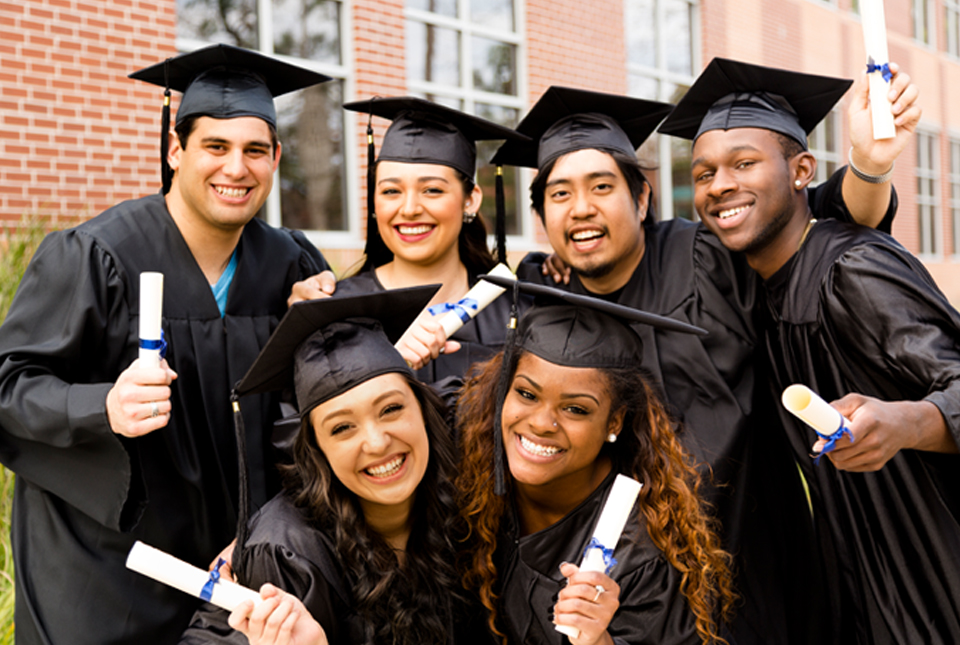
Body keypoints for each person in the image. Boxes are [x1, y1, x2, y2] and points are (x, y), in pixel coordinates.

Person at [495, 71, 919, 643]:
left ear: (642, 197)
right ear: (543, 217)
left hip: (753, 548)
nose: (581, 209)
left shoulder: (707, 257)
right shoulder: (545, 301)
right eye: (560, 193)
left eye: (602, 187)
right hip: (624, 580)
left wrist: (870, 166)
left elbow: (817, 217)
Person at [0, 44, 337, 644]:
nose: (236, 168)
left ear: (276, 158)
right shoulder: (95, 256)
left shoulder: (291, 265)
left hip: (237, 573)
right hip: (108, 571)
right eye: (215, 146)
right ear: (175, 150)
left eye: (255, 150)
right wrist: (103, 405)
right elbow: (10, 386)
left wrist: (316, 332)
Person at [663, 56, 960, 645]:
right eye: (703, 174)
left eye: (744, 164)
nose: (720, 184)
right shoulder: (754, 281)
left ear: (801, 170)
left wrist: (906, 420)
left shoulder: (853, 268)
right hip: (857, 571)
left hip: (933, 559)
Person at [180, 287, 473, 645]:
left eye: (391, 409)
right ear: (316, 450)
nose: (377, 442)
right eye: (342, 428)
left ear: (426, 412)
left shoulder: (465, 493)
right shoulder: (286, 556)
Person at [456, 278, 736, 645]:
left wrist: (598, 640)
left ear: (614, 422)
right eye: (526, 394)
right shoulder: (469, 468)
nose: (542, 423)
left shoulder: (640, 556)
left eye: (575, 409)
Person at [292, 97, 528, 384]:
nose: (409, 209)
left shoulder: (518, 313)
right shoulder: (339, 311)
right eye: (391, 191)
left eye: (431, 190)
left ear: (470, 200)